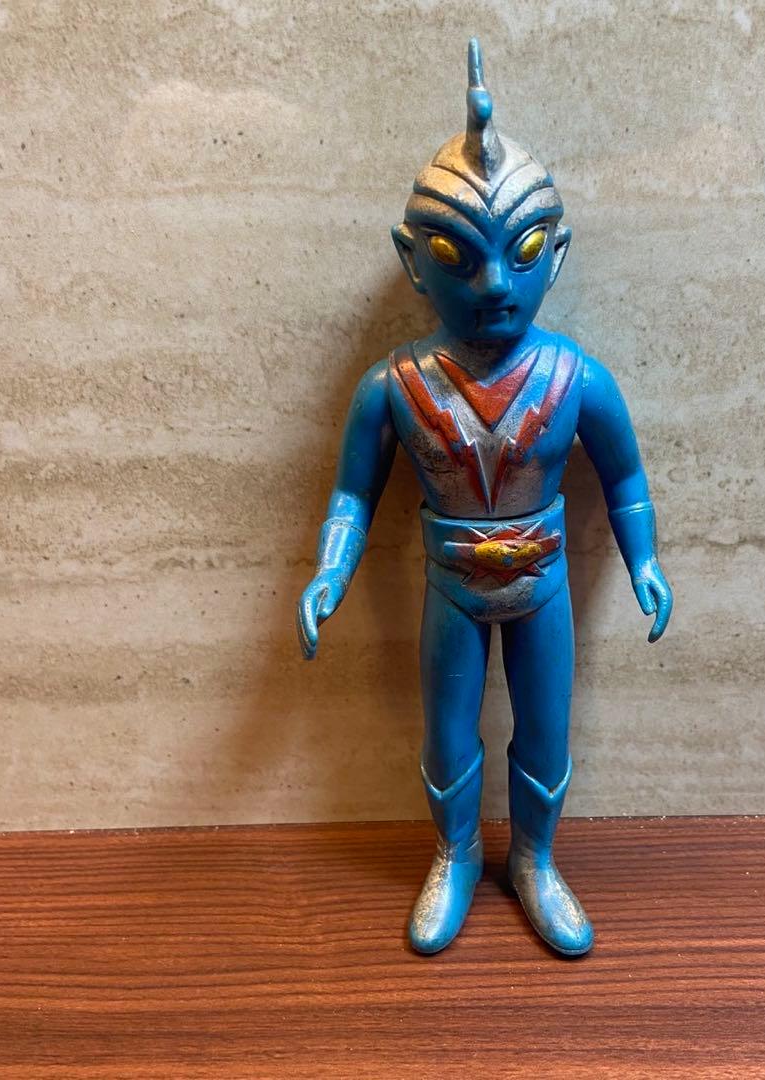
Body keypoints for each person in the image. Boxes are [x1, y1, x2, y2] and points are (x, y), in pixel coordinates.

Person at [298, 39, 672, 957]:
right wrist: (330, 570)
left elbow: (624, 478)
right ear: (412, 261)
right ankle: (457, 852)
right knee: (447, 733)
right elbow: (352, 492)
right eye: (456, 255)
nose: (496, 284)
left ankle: (535, 858)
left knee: (546, 729)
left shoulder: (577, 378)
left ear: (557, 254)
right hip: (453, 588)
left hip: (541, 585)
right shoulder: (394, 386)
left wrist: (646, 560)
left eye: (524, 251)